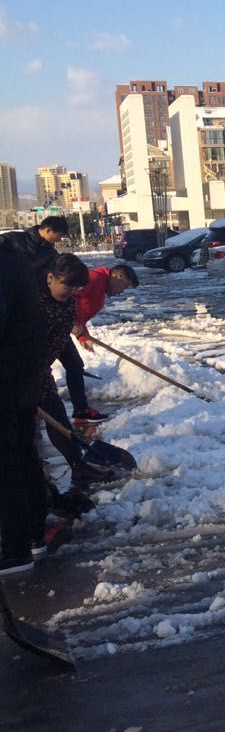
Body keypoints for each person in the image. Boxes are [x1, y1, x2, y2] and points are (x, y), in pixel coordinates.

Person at [34, 254, 108, 487]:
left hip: (39, 371)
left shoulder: (68, 304)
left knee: (58, 418)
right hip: (15, 374)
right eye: (68, 285)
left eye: (77, 287)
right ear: (50, 278)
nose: (73, 291)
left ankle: (78, 467)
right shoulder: (30, 303)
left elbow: (57, 341)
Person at [0, 242, 51, 576]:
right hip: (21, 376)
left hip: (6, 377)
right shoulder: (13, 263)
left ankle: (14, 549)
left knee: (6, 462)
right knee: (21, 453)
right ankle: (33, 536)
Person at [64, 262, 138, 423]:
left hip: (61, 328)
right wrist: (72, 322)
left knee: (74, 366)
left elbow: (80, 312)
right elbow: (69, 296)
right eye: (124, 286)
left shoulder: (100, 286)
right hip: (52, 327)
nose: (122, 292)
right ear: (118, 276)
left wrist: (82, 336)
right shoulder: (94, 278)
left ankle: (81, 410)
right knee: (56, 368)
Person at [0, 215, 68, 274]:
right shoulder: (16, 239)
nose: (59, 240)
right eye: (59, 236)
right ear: (48, 230)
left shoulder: (51, 254)